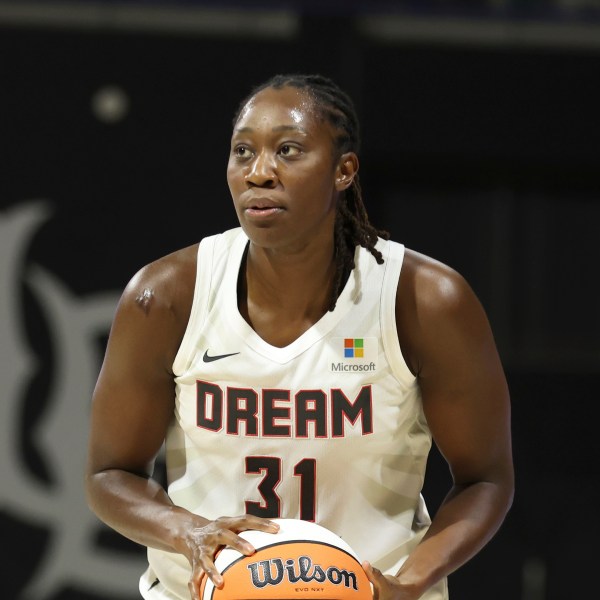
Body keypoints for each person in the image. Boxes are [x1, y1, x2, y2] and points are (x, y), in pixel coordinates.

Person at [85, 73, 514, 600]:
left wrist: (409, 583)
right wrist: (187, 531)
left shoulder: (424, 300)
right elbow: (109, 474)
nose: (259, 172)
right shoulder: (166, 296)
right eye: (243, 152)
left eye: (288, 151)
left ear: (344, 170)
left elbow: (486, 479)